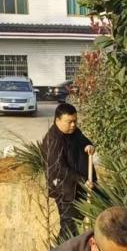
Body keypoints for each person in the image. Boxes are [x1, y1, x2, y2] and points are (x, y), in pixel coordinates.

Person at [41, 102, 95, 239]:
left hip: (81, 188)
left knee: (78, 227)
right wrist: (82, 180)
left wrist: (89, 146)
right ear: (57, 120)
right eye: (69, 122)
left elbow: (84, 141)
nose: (73, 125)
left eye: (75, 121)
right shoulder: (52, 140)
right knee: (68, 228)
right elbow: (59, 168)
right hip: (66, 192)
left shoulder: (74, 132)